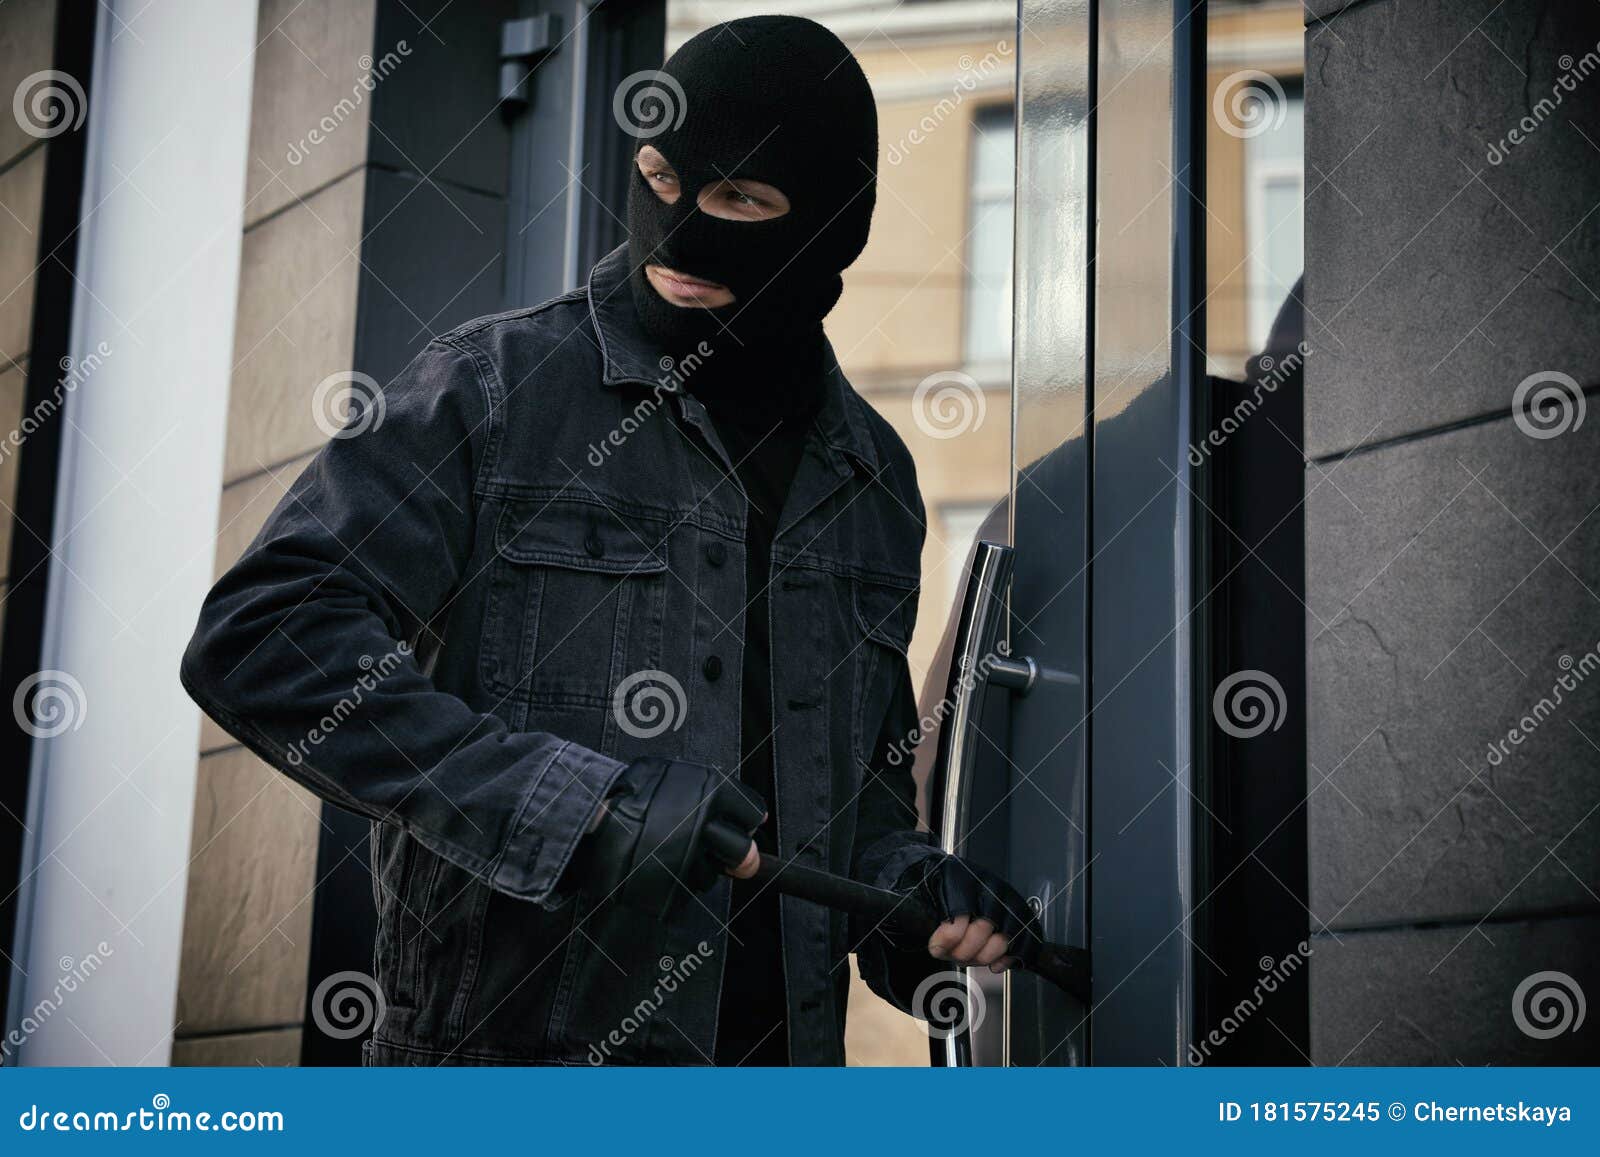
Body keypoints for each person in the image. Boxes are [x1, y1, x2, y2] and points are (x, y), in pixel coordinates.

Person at [181, 14, 1038, 1067]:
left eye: (739, 201)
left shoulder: (874, 479)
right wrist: (574, 808)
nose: (678, 236)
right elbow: (263, 641)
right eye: (660, 179)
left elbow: (850, 807)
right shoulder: (491, 390)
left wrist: (914, 899)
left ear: (829, 229)